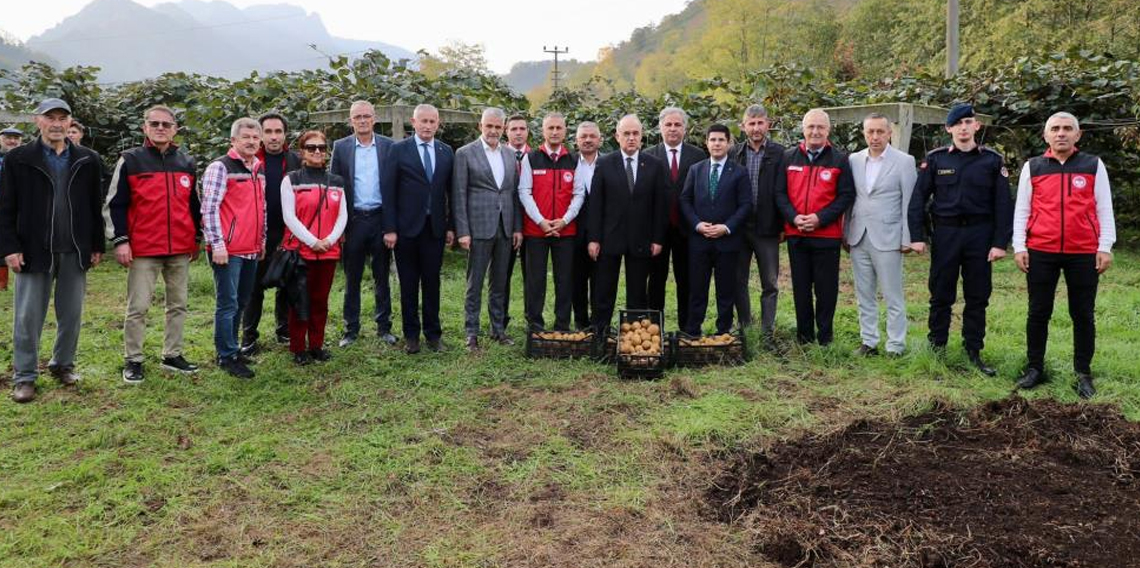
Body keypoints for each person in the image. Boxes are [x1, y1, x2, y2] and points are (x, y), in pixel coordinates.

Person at [0, 98, 105, 403]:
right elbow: (6, 209)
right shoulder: (20, 158)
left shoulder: (87, 158)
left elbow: (93, 206)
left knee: (71, 313)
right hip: (33, 250)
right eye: (51, 118)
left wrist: (96, 244)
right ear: (38, 121)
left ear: (70, 122)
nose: (57, 124)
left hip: (74, 248)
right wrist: (10, 247)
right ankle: (25, 376)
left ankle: (62, 365)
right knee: (28, 316)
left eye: (63, 118)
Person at [1012, 112, 1116, 399]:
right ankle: (1035, 368)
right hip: (1041, 251)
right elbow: (1023, 209)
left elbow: (1104, 208)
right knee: (1038, 312)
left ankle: (1083, 372)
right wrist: (1020, 246)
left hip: (1083, 252)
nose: (1061, 133)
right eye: (1055, 129)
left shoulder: (1093, 165)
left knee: (1082, 314)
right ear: (1046, 135)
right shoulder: (1033, 167)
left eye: (1067, 128)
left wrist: (1104, 246)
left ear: (1077, 135)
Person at [908, 103, 1013, 376]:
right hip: (946, 233)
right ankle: (937, 348)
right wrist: (916, 236)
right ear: (949, 128)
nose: (963, 128)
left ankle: (973, 351)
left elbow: (1003, 204)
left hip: (980, 235)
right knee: (941, 293)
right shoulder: (936, 159)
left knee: (977, 295)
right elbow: (918, 198)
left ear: (976, 126)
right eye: (958, 124)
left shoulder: (992, 161)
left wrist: (1000, 243)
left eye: (968, 122)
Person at [105, 105, 202, 383]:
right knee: (138, 307)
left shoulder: (186, 162)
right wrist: (121, 240)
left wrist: (196, 238)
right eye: (155, 123)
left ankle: (172, 354)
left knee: (178, 304)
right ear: (144, 127)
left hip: (180, 248)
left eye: (166, 124)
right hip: (143, 248)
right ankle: (133, 360)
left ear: (175, 129)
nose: (161, 128)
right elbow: (115, 204)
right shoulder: (130, 160)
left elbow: (194, 205)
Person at [774, 109, 855, 346]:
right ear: (803, 129)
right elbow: (779, 193)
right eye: (811, 127)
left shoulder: (840, 159)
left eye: (820, 127)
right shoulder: (788, 157)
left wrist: (820, 218)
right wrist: (793, 217)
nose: (815, 132)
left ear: (828, 130)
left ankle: (825, 338)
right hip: (796, 234)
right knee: (800, 288)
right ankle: (804, 337)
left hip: (826, 236)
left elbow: (845, 195)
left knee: (826, 290)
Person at [382, 104, 454, 354]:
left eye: (432, 122)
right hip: (405, 230)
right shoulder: (399, 150)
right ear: (414, 122)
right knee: (409, 284)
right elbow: (388, 192)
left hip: (434, 229)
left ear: (438, 123)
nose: (427, 126)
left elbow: (450, 193)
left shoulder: (446, 152)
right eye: (423, 121)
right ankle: (411, 335)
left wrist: (451, 226)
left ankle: (434, 335)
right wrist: (389, 228)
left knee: (432, 283)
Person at [845, 113, 917, 357]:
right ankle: (869, 341)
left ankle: (896, 345)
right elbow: (850, 198)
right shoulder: (854, 160)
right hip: (858, 235)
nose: (874, 137)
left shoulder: (904, 161)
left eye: (879, 132)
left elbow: (909, 202)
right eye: (870, 132)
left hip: (888, 236)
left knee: (892, 294)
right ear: (864, 133)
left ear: (889, 133)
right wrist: (846, 233)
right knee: (864, 293)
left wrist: (907, 237)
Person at [587, 114, 667, 332]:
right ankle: (600, 334)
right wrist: (593, 238)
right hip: (609, 238)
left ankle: (635, 338)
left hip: (641, 238)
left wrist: (658, 238)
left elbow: (661, 206)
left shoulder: (654, 165)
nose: (631, 138)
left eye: (635, 134)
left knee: (638, 292)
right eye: (626, 134)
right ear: (617, 136)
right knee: (604, 290)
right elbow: (596, 204)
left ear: (641, 136)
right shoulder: (604, 163)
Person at [452, 107, 522, 350]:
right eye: (488, 126)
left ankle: (498, 329)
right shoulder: (465, 153)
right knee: (475, 282)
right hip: (478, 227)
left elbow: (512, 193)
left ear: (503, 128)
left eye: (497, 126)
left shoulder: (509, 155)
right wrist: (463, 231)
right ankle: (471, 332)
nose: (493, 130)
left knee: (500, 281)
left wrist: (516, 228)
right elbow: (459, 194)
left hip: (504, 228)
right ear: (480, 126)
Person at [201, 118, 267, 379]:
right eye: (246, 137)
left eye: (255, 137)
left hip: (250, 247)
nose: (251, 141)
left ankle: (234, 349)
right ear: (233, 141)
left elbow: (261, 207)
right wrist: (217, 244)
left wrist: (261, 241)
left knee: (241, 301)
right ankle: (226, 355)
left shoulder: (258, 169)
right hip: (227, 249)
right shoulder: (221, 167)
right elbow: (209, 208)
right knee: (227, 303)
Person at [330, 100, 398, 348]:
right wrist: (339, 228)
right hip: (354, 220)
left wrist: (391, 227)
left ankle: (384, 328)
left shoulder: (389, 147)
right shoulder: (341, 147)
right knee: (352, 278)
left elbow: (393, 190)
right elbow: (335, 189)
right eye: (357, 116)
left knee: (382, 277)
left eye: (366, 116)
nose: (362, 120)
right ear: (351, 121)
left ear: (374, 118)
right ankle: (351, 329)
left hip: (380, 219)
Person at [279, 130, 348, 365]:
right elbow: (289, 216)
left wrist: (329, 240)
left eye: (321, 147)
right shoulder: (292, 180)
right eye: (311, 148)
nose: (317, 151)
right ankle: (298, 347)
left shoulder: (337, 182)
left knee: (320, 301)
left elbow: (342, 216)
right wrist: (312, 241)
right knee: (299, 301)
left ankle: (316, 345)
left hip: (328, 251)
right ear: (302, 152)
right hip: (301, 252)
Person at [679, 123, 751, 336]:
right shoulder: (696, 169)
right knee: (697, 289)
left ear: (729, 143)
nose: (717, 143)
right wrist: (697, 224)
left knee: (725, 290)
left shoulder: (739, 173)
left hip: (726, 242)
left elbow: (746, 205)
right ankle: (693, 330)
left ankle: (723, 331)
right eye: (713, 140)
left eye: (721, 140)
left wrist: (727, 227)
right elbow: (685, 199)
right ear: (706, 143)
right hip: (699, 241)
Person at [239, 112, 301, 355]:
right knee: (253, 287)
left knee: (287, 282)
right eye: (268, 132)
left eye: (278, 132)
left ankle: (283, 330)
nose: (274, 137)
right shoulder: (250, 161)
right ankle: (249, 336)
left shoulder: (296, 161)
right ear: (261, 135)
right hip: (256, 234)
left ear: (285, 134)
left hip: (288, 233)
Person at [518, 112, 584, 332]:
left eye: (559, 128)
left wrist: (564, 221)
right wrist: (541, 221)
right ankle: (535, 325)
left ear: (565, 131)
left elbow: (579, 194)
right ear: (543, 131)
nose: (554, 132)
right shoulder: (531, 158)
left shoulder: (575, 159)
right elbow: (524, 192)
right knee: (535, 281)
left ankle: (562, 326)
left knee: (564, 281)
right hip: (536, 231)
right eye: (550, 128)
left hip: (566, 232)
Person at [646, 107, 707, 331]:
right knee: (655, 282)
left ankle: (688, 330)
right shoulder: (649, 155)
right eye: (668, 125)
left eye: (677, 125)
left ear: (685, 128)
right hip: (657, 232)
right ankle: (653, 331)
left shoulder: (698, 156)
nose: (673, 129)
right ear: (660, 127)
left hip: (688, 230)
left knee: (688, 281)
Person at [730, 104, 785, 343]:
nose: (756, 128)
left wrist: (783, 224)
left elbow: (785, 192)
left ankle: (767, 331)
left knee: (770, 282)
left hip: (768, 227)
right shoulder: (734, 154)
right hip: (740, 228)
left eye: (760, 123)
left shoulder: (780, 154)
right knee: (738, 279)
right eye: (751, 123)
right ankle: (744, 326)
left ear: (768, 124)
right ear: (743, 127)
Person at [571, 121, 602, 330]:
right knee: (577, 280)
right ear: (576, 140)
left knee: (601, 281)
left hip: (602, 233)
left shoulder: (610, 163)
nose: (588, 140)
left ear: (600, 139)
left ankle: (599, 324)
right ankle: (581, 323)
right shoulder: (569, 162)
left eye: (592, 136)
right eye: (583, 136)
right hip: (573, 232)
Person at [503, 114, 531, 332]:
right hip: (505, 224)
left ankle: (532, 319)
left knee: (531, 275)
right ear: (507, 131)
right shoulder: (499, 155)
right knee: (502, 275)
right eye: (514, 129)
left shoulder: (536, 157)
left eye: (522, 128)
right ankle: (500, 319)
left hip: (532, 226)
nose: (518, 132)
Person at [0, 127, 22, 292]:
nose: (12, 141)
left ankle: (2, 283)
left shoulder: (24, 158)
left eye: (16, 138)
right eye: (8, 137)